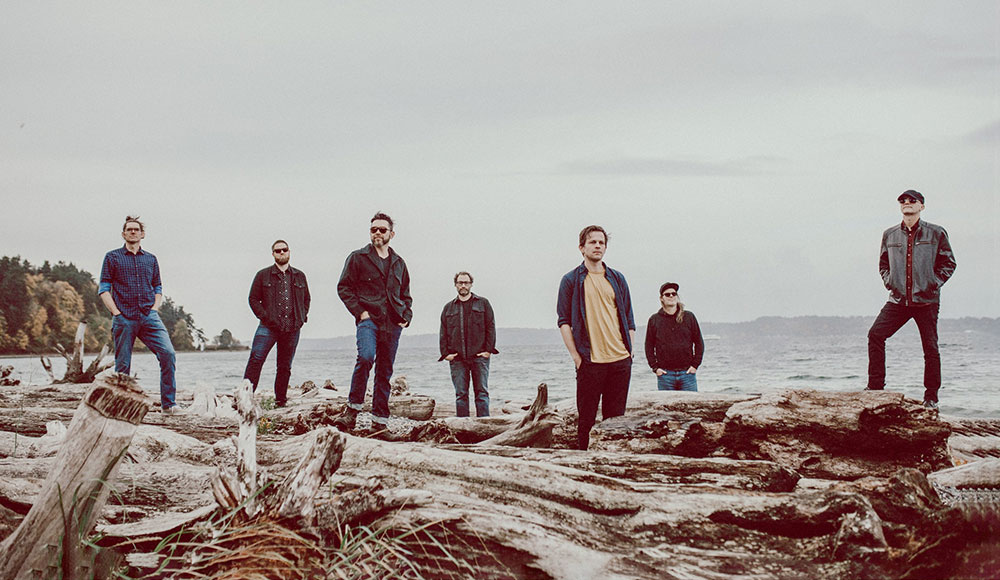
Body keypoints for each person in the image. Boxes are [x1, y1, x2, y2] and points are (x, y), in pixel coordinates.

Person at [867, 190, 956, 409]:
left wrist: (932, 283)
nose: (907, 204)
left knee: (930, 347)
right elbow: (883, 264)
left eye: (912, 201)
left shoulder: (936, 233)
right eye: (903, 201)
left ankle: (931, 397)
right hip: (898, 300)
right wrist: (891, 283)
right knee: (875, 335)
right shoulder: (890, 235)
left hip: (926, 301)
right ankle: (876, 387)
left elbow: (949, 263)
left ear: (921, 206)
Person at [557, 225, 635, 450]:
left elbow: (628, 317)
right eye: (592, 242)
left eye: (601, 242)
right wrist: (576, 357)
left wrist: (630, 351)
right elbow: (564, 321)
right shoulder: (571, 280)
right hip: (590, 361)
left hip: (620, 360)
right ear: (582, 248)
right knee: (587, 420)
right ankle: (583, 462)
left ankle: (611, 465)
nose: (598, 246)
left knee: (615, 422)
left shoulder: (617, 278)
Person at [334, 212, 412, 433]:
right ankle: (351, 412)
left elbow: (405, 294)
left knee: (384, 372)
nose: (377, 233)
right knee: (366, 357)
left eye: (382, 229)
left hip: (393, 323)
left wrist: (406, 317)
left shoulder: (399, 263)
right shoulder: (358, 257)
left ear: (391, 234)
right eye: (373, 229)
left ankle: (380, 424)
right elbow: (344, 287)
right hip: (369, 320)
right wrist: (360, 312)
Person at [98, 216, 180, 414]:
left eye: (136, 229)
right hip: (124, 316)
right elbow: (104, 287)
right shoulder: (112, 257)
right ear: (123, 234)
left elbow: (158, 285)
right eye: (129, 229)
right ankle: (119, 407)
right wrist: (115, 312)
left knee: (168, 354)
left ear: (143, 234)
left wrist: (154, 308)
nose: (133, 232)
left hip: (148, 315)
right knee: (123, 364)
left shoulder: (150, 259)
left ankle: (168, 405)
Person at [242, 240, 311, 407]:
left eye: (284, 250)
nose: (281, 253)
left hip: (292, 328)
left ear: (289, 252)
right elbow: (253, 299)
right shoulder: (262, 275)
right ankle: (244, 400)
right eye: (277, 251)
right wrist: (266, 317)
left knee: (285, 366)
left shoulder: (299, 276)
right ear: (272, 254)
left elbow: (306, 299)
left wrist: (302, 318)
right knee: (256, 360)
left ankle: (280, 401)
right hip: (268, 327)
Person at [439, 271, 499, 417]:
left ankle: (484, 428)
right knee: (461, 395)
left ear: (471, 284)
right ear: (455, 285)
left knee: (482, 394)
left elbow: (490, 327)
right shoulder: (449, 308)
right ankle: (463, 430)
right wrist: (446, 354)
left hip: (479, 357)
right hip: (458, 359)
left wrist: (488, 351)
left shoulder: (483, 303)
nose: (463, 285)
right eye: (460, 283)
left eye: (466, 282)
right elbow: (443, 331)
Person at [644, 283, 704, 391]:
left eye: (674, 293)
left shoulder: (689, 317)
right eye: (667, 294)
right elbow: (648, 346)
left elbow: (699, 342)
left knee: (690, 407)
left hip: (687, 374)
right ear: (662, 298)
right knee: (666, 408)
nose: (671, 296)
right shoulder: (654, 320)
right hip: (665, 375)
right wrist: (655, 368)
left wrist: (695, 365)